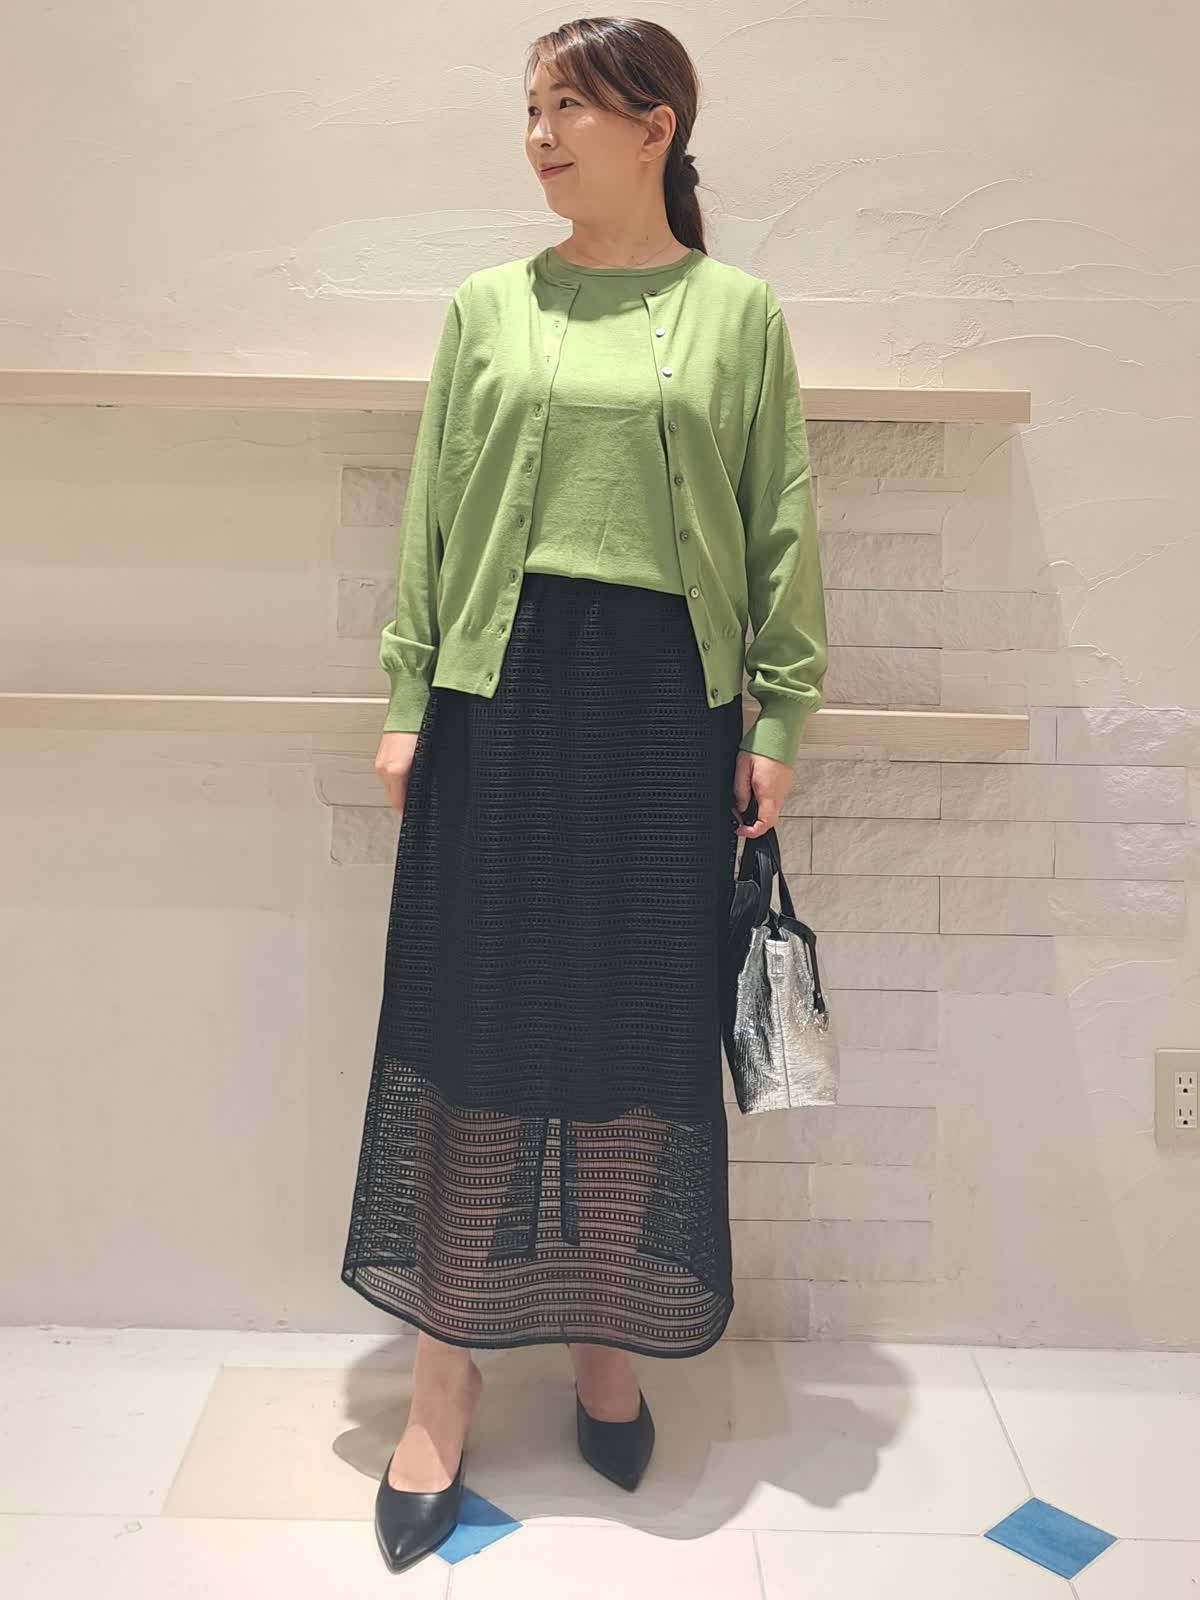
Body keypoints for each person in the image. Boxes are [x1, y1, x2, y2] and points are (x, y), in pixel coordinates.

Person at [340, 15, 829, 1574]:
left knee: (631, 1037)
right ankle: (444, 1381)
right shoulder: (488, 307)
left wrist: (779, 712)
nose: (540, 135)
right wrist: (409, 696)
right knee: (474, 1038)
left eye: (570, 107)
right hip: (500, 693)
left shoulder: (738, 314)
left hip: (663, 710)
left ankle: (606, 1339)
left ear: (657, 126)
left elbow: (778, 515)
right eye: (532, 107)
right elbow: (434, 510)